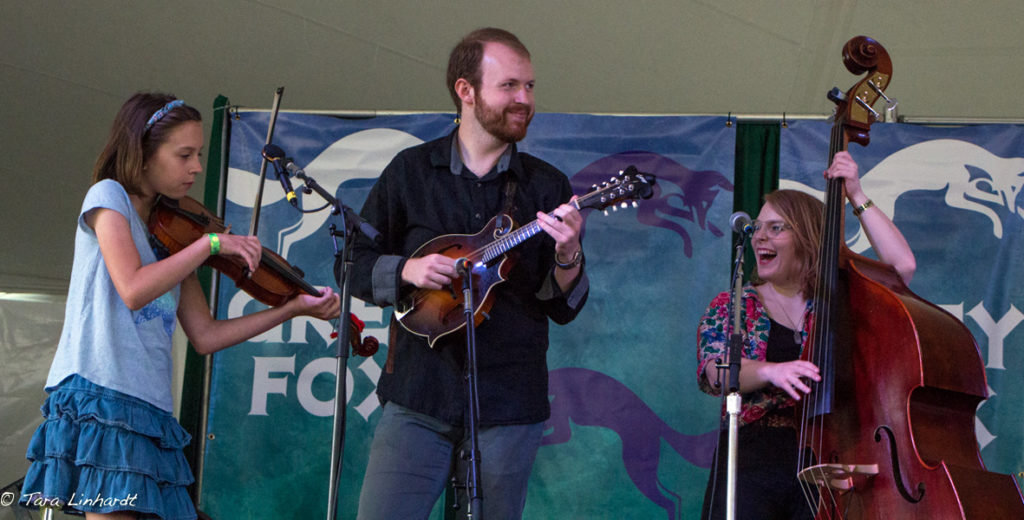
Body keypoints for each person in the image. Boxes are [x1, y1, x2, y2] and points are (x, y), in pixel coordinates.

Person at [18, 92, 340, 520]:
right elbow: (133, 288)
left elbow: (205, 336)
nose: (196, 167)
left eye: (200, 154)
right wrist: (210, 245)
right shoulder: (108, 197)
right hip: (103, 394)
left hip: (150, 407)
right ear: (143, 153)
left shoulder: (175, 236)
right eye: (184, 154)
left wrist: (292, 309)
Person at [351, 28, 589, 519]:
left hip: (509, 406)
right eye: (509, 86)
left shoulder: (547, 186)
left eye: (529, 86)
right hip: (418, 397)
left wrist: (569, 255)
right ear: (466, 90)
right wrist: (409, 268)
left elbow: (561, 306)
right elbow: (352, 262)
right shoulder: (410, 172)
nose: (524, 99)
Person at [696, 150, 916, 520]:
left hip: (827, 457)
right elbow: (715, 370)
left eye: (775, 228)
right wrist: (771, 371)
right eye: (757, 228)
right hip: (751, 461)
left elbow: (902, 267)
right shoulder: (734, 304)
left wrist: (857, 195)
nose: (759, 237)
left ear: (808, 236)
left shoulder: (840, 300)